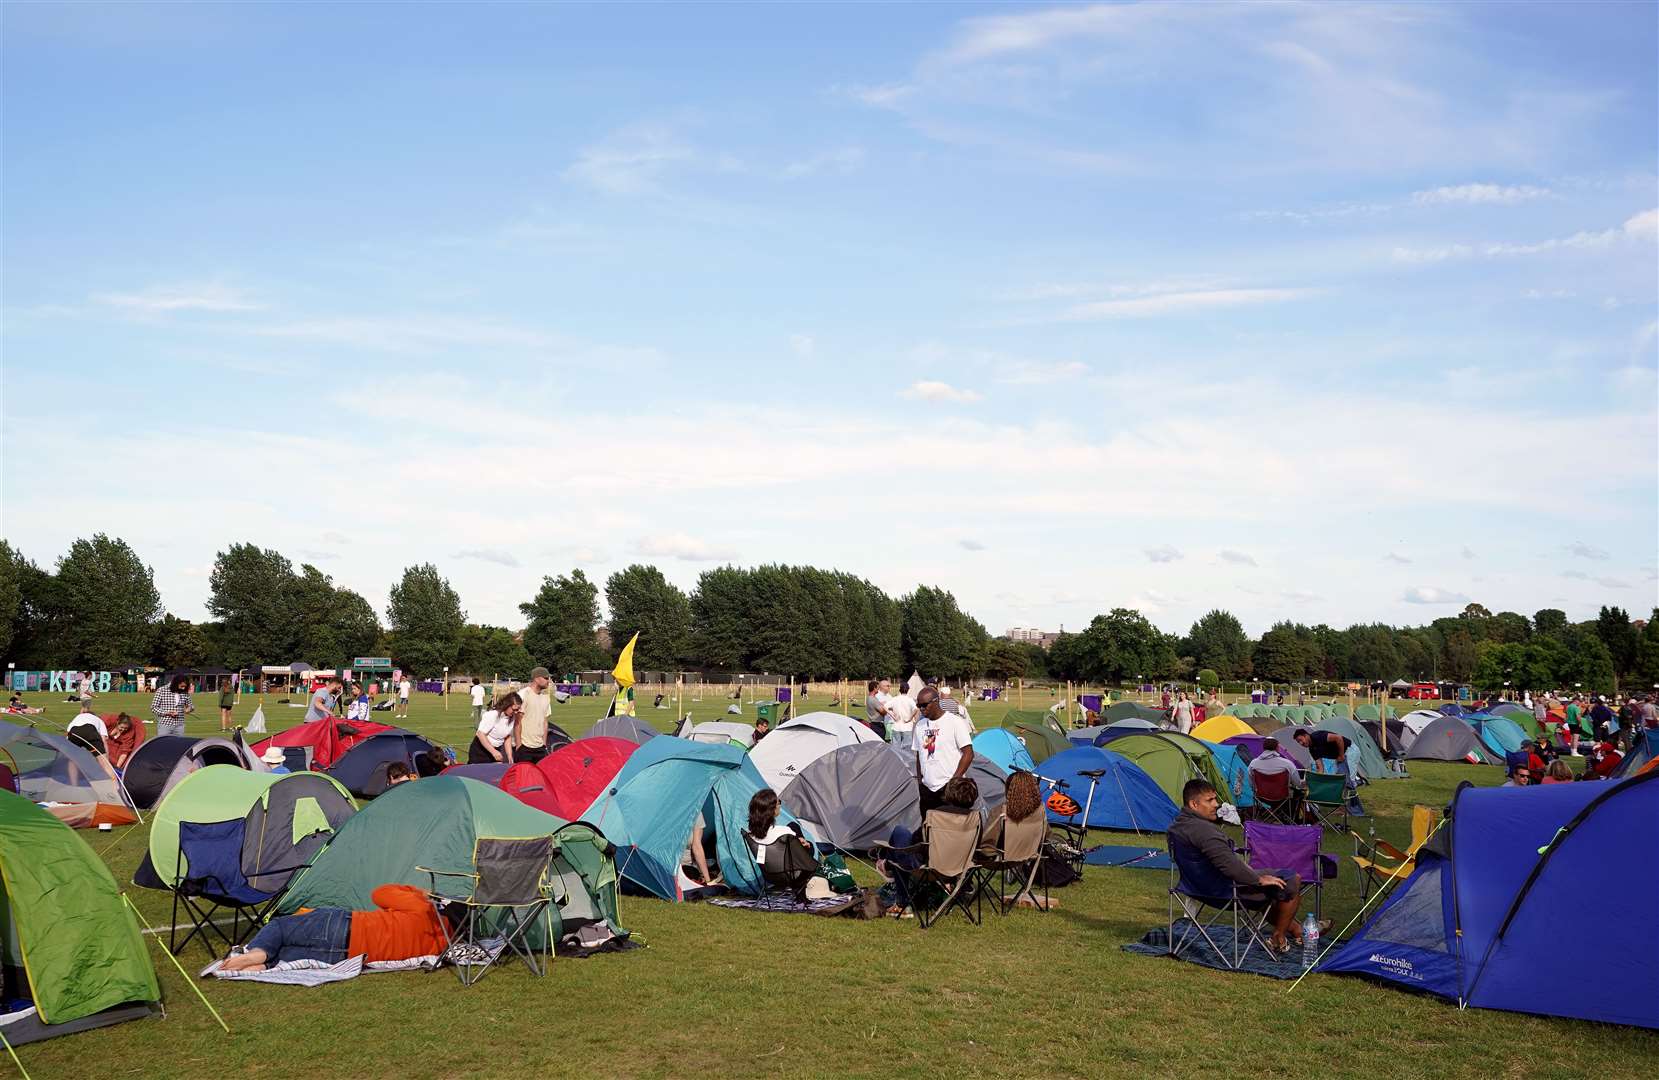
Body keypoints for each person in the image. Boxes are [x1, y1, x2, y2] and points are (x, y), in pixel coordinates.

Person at [1168, 779, 1320, 953]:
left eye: (1215, 799)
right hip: (1224, 891)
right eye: (1210, 800)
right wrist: (1257, 879)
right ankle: (1279, 936)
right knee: (1292, 879)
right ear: (1194, 804)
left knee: (1272, 887)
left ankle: (1297, 930)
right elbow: (1229, 866)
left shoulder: (1176, 828)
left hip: (1196, 889)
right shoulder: (1204, 831)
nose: (1216, 805)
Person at [218, 883, 448, 971]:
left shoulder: (425, 910)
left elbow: (380, 893)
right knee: (287, 954)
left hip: (346, 926)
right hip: (347, 957)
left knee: (279, 926)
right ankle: (265, 967)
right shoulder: (440, 945)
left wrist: (420, 893)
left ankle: (256, 953)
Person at [911, 686, 974, 814]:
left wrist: (954, 782)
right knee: (928, 829)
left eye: (924, 705)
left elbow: (968, 754)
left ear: (936, 701)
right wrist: (920, 783)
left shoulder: (955, 722)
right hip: (927, 790)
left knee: (950, 829)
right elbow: (919, 756)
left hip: (950, 789)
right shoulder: (919, 726)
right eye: (919, 706)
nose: (921, 709)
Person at [746, 789, 815, 900]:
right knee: (809, 846)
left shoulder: (750, 835)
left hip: (769, 874)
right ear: (772, 810)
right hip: (790, 875)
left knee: (793, 825)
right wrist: (802, 843)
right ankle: (800, 891)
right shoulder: (784, 832)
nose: (780, 805)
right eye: (779, 803)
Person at [514, 668, 554, 764]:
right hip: (524, 747)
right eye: (546, 678)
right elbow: (517, 721)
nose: (548, 681)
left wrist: (544, 744)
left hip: (540, 748)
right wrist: (519, 745)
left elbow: (545, 722)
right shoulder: (524, 694)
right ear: (536, 679)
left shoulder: (546, 698)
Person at [470, 692, 519, 764]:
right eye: (514, 709)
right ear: (507, 705)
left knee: (496, 773)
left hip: (497, 749)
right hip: (480, 751)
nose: (516, 712)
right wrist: (493, 751)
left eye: (517, 709)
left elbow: (507, 736)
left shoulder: (512, 718)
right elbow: (480, 734)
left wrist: (509, 755)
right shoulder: (492, 715)